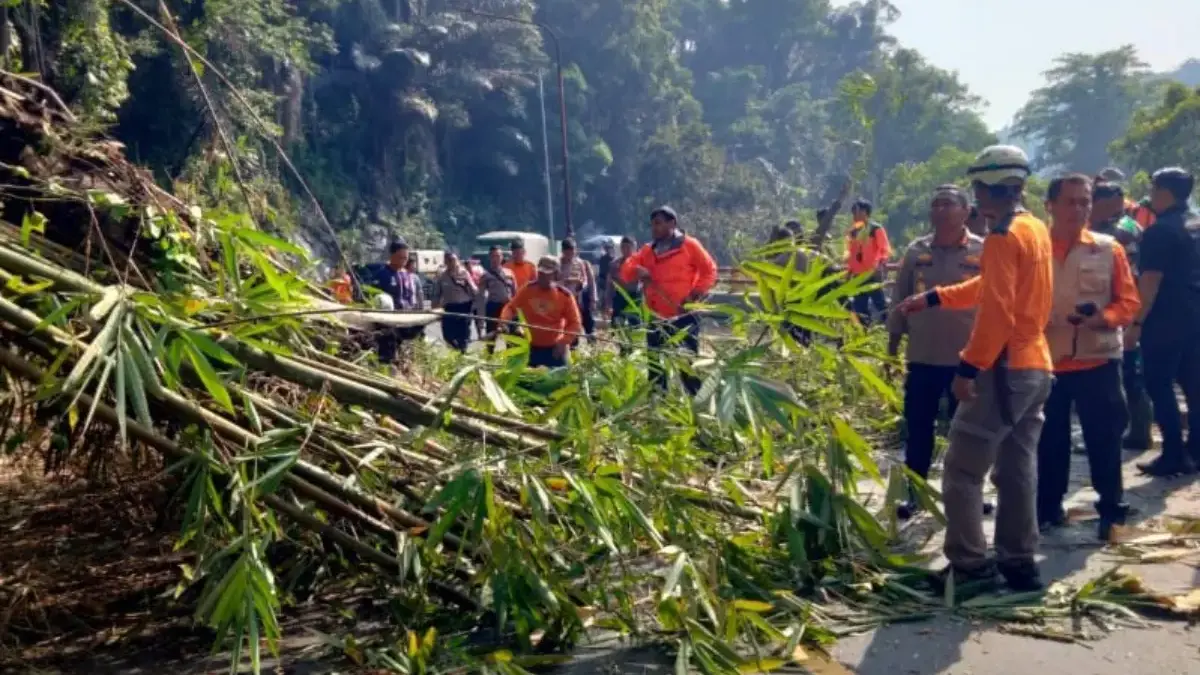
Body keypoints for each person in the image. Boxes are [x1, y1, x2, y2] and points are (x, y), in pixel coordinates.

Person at [897, 144, 1054, 592]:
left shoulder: (1003, 235)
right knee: (1016, 467)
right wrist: (935, 297)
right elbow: (992, 285)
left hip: (1004, 370)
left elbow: (996, 314)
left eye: (976, 188)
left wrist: (967, 370)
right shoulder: (1033, 228)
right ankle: (1020, 563)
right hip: (1036, 367)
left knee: (963, 472)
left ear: (986, 189)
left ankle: (969, 567)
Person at [1036, 174, 1141, 541]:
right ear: (1049, 206)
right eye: (1070, 202)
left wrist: (1102, 319)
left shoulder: (1107, 248)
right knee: (1049, 442)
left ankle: (1112, 512)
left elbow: (1128, 302)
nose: (1079, 209)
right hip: (1046, 362)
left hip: (1098, 361)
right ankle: (1047, 509)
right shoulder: (1034, 249)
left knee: (1105, 440)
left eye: (1085, 202)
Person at [887, 185, 985, 520]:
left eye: (948, 204)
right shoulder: (916, 252)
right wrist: (891, 350)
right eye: (935, 204)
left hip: (968, 360)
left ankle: (971, 495)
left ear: (966, 211)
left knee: (969, 432)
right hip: (923, 356)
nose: (940, 210)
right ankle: (915, 495)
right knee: (918, 429)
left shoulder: (983, 251)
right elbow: (899, 300)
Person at [1125, 168, 1200, 477]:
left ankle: (1172, 452)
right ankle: (1195, 448)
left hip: (1165, 318)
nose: (1151, 195)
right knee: (1194, 384)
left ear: (1165, 192)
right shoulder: (1195, 225)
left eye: (1154, 189)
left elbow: (1151, 280)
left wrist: (1136, 322)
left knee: (1158, 383)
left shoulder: (1159, 232)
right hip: (1194, 314)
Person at [620, 206, 718, 395]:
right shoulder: (648, 250)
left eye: (658, 224)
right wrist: (637, 271)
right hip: (657, 317)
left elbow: (709, 270)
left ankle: (694, 401)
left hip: (684, 315)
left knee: (687, 363)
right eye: (652, 225)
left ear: (672, 223)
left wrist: (694, 295)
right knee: (656, 364)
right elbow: (627, 270)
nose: (654, 228)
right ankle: (658, 401)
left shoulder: (690, 245)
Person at [1091, 181, 1153, 451]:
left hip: (1121, 309)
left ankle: (1136, 430)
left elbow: (1133, 274)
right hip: (1098, 311)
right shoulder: (1093, 229)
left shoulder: (1123, 231)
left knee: (1128, 373)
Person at [501, 256, 583, 368]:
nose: (542, 277)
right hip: (531, 348)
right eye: (541, 273)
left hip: (555, 350)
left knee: (557, 382)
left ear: (555, 274)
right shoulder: (527, 290)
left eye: (547, 274)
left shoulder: (564, 296)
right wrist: (504, 321)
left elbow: (575, 323)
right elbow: (510, 308)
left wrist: (564, 341)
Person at [371, 240, 426, 366]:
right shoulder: (382, 275)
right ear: (392, 256)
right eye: (401, 257)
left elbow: (414, 298)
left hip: (407, 321)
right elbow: (374, 298)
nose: (404, 261)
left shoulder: (409, 276)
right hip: (389, 323)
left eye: (406, 258)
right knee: (387, 355)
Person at [845, 199, 892, 324]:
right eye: (853, 212)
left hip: (872, 274)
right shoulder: (852, 232)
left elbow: (885, 250)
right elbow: (850, 254)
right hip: (858, 276)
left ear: (865, 212)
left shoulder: (876, 229)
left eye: (856, 211)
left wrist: (880, 264)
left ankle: (891, 331)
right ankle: (864, 336)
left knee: (881, 305)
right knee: (860, 308)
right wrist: (849, 272)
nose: (854, 215)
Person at [432, 250, 477, 353]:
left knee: (463, 335)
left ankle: (462, 354)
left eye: (453, 260)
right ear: (445, 262)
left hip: (464, 307)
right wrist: (434, 309)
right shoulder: (442, 276)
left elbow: (474, 289)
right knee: (447, 335)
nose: (451, 262)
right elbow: (437, 294)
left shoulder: (464, 273)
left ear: (457, 260)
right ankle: (455, 350)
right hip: (449, 308)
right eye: (448, 260)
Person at [476, 245, 517, 352]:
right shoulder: (486, 275)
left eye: (498, 256)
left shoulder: (509, 272)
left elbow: (515, 292)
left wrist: (516, 311)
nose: (496, 259)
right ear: (489, 257)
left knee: (510, 338)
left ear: (502, 257)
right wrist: (480, 317)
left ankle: (511, 363)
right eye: (493, 256)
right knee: (491, 338)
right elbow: (480, 296)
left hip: (507, 308)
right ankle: (489, 360)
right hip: (493, 307)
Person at [560, 238, 596, 342]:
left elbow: (590, 282)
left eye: (572, 250)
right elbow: (555, 282)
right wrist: (566, 281)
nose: (570, 254)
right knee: (571, 325)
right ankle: (572, 346)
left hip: (582, 299)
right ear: (563, 251)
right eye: (567, 251)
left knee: (588, 324)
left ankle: (593, 347)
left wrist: (593, 299)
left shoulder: (583, 264)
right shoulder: (558, 265)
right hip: (566, 300)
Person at [607, 236, 642, 329]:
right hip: (619, 296)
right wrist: (608, 302)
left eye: (628, 247)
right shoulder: (615, 264)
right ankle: (618, 341)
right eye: (623, 247)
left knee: (635, 323)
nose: (625, 250)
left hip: (634, 296)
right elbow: (610, 284)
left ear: (634, 248)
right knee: (617, 324)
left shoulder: (639, 262)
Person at [596, 240, 615, 314]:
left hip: (610, 282)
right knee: (602, 298)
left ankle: (607, 313)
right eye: (607, 248)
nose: (608, 250)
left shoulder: (613, 259)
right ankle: (603, 313)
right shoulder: (603, 259)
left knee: (609, 299)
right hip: (603, 281)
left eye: (609, 248)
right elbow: (601, 271)